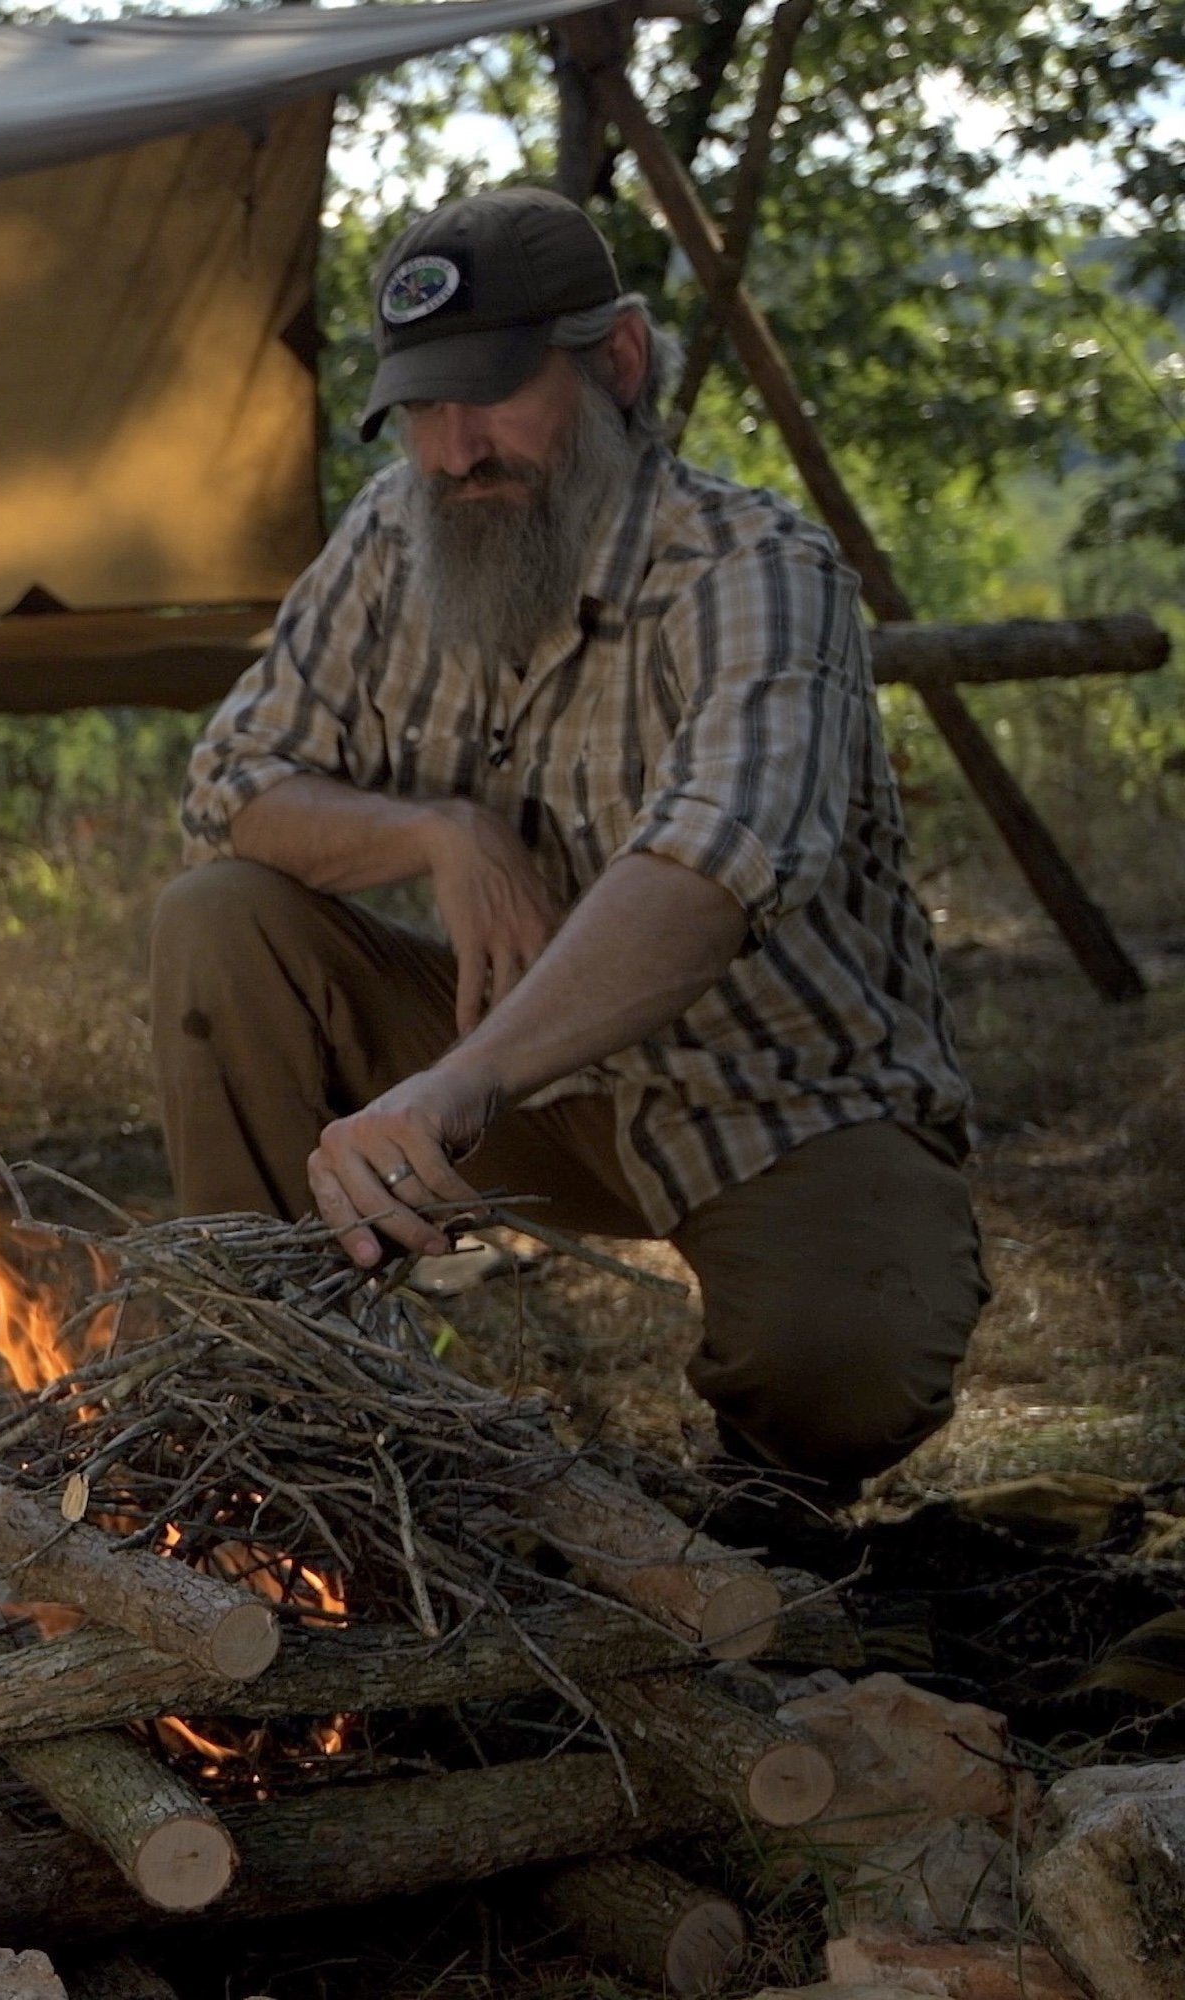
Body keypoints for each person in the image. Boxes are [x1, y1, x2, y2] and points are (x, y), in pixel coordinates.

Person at [151, 185, 987, 1498]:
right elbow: (231, 786)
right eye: (420, 408)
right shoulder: (391, 535)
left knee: (843, 1370)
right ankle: (283, 1410)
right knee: (219, 914)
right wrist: (439, 831)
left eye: (490, 393)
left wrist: (461, 1081)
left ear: (619, 362)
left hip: (776, 1095)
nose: (452, 450)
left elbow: (705, 877)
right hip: (518, 1078)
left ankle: (750, 1520)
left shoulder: (760, 568)